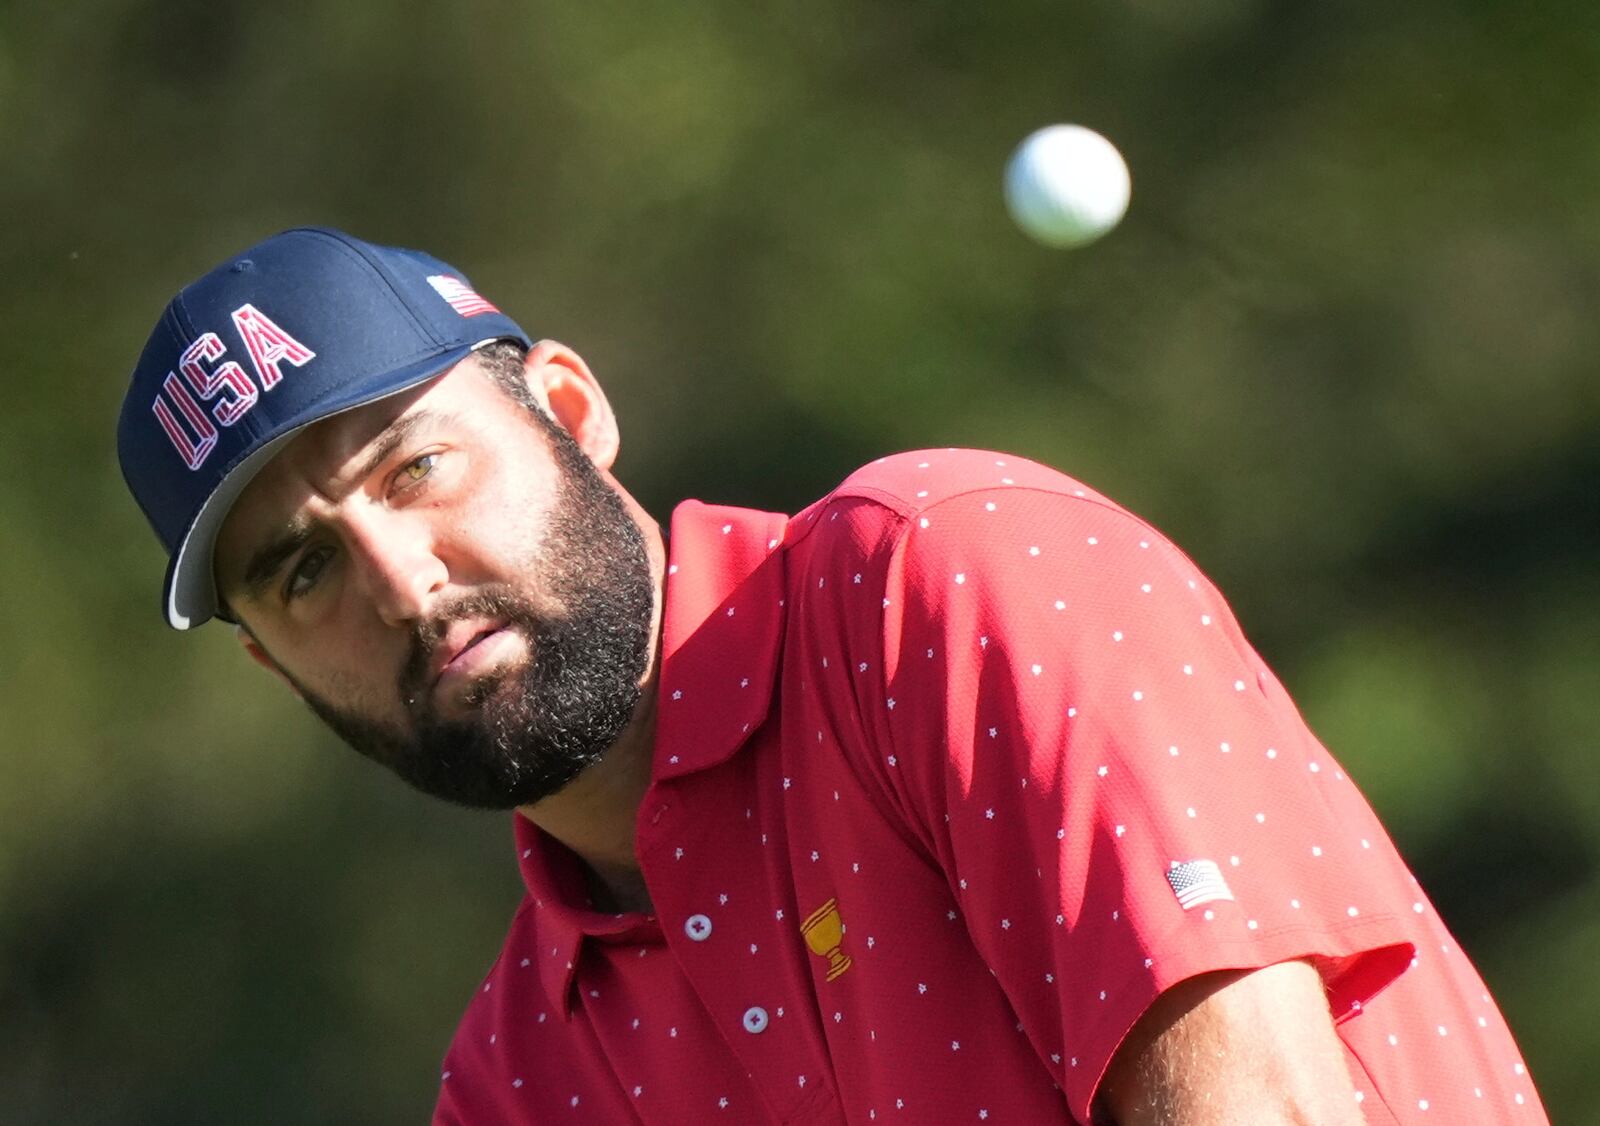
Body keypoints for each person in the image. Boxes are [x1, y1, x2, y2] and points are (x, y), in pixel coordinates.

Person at [118, 227, 1547, 1125]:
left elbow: (1260, 1102)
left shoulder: (942, 576)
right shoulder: (518, 1084)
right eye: (303, 569)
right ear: (269, 659)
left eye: (416, 466)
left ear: (569, 408)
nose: (399, 579)